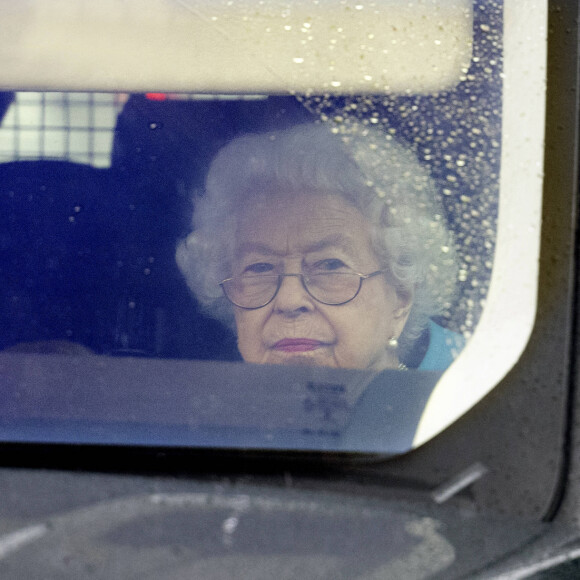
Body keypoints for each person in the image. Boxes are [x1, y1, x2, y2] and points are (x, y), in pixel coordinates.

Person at [176, 122, 463, 371]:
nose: (289, 301)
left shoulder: (470, 389)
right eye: (260, 268)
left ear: (401, 298)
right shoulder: (204, 416)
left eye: (330, 265)